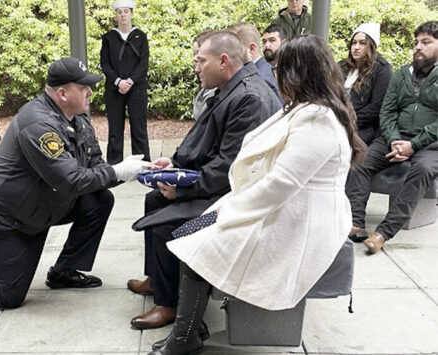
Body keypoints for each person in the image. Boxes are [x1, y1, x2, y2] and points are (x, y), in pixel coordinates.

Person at [147, 34, 366, 355]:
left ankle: (185, 336)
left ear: (297, 73)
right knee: (189, 236)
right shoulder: (307, 109)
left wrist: (229, 210)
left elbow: (279, 185)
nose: (275, 75)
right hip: (284, 209)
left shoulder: (319, 120)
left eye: (281, 68)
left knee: (197, 243)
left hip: (300, 223)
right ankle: (188, 326)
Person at [0, 57, 149, 310]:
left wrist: (140, 171)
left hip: (40, 206)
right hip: (6, 218)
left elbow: (96, 169)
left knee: (99, 200)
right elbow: (70, 179)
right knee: (8, 295)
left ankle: (63, 272)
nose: (90, 91)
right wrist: (119, 171)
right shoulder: (38, 124)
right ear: (63, 93)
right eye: (84, 86)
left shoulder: (78, 120)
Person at [127, 31, 281, 330]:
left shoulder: (249, 97)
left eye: (200, 60)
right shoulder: (232, 88)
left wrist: (183, 190)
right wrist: (175, 165)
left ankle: (168, 303)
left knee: (164, 220)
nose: (195, 66)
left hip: (235, 198)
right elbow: (209, 143)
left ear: (223, 61)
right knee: (153, 198)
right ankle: (158, 280)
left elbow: (230, 167)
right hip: (224, 185)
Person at [346, 21, 438, 254]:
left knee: (423, 170)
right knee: (360, 160)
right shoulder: (402, 74)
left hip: (430, 145)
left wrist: (413, 145)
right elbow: (387, 111)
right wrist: (395, 139)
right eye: (416, 42)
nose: (418, 47)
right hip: (393, 138)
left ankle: (384, 232)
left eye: (426, 42)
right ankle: (356, 222)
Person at [100, 0, 150, 164]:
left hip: (137, 89)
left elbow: (143, 64)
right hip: (114, 89)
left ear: (131, 13)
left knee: (139, 128)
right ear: (116, 15)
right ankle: (115, 166)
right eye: (119, 12)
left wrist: (129, 81)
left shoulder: (140, 37)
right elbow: (105, 64)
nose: (123, 15)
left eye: (126, 11)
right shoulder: (108, 38)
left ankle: (142, 163)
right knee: (115, 130)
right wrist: (117, 81)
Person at [339, 23, 392, 146]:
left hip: (363, 127)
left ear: (371, 46)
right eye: (354, 42)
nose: (356, 47)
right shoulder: (342, 66)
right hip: (336, 120)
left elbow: (377, 106)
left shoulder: (382, 69)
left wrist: (349, 121)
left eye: (362, 43)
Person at [229, 22, 281, 100]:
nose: (229, 54)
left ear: (252, 49)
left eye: (233, 48)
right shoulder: (264, 70)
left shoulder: (262, 79)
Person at [191, 29, 215, 121]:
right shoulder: (206, 84)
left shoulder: (215, 89)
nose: (195, 59)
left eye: (198, 54)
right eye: (194, 54)